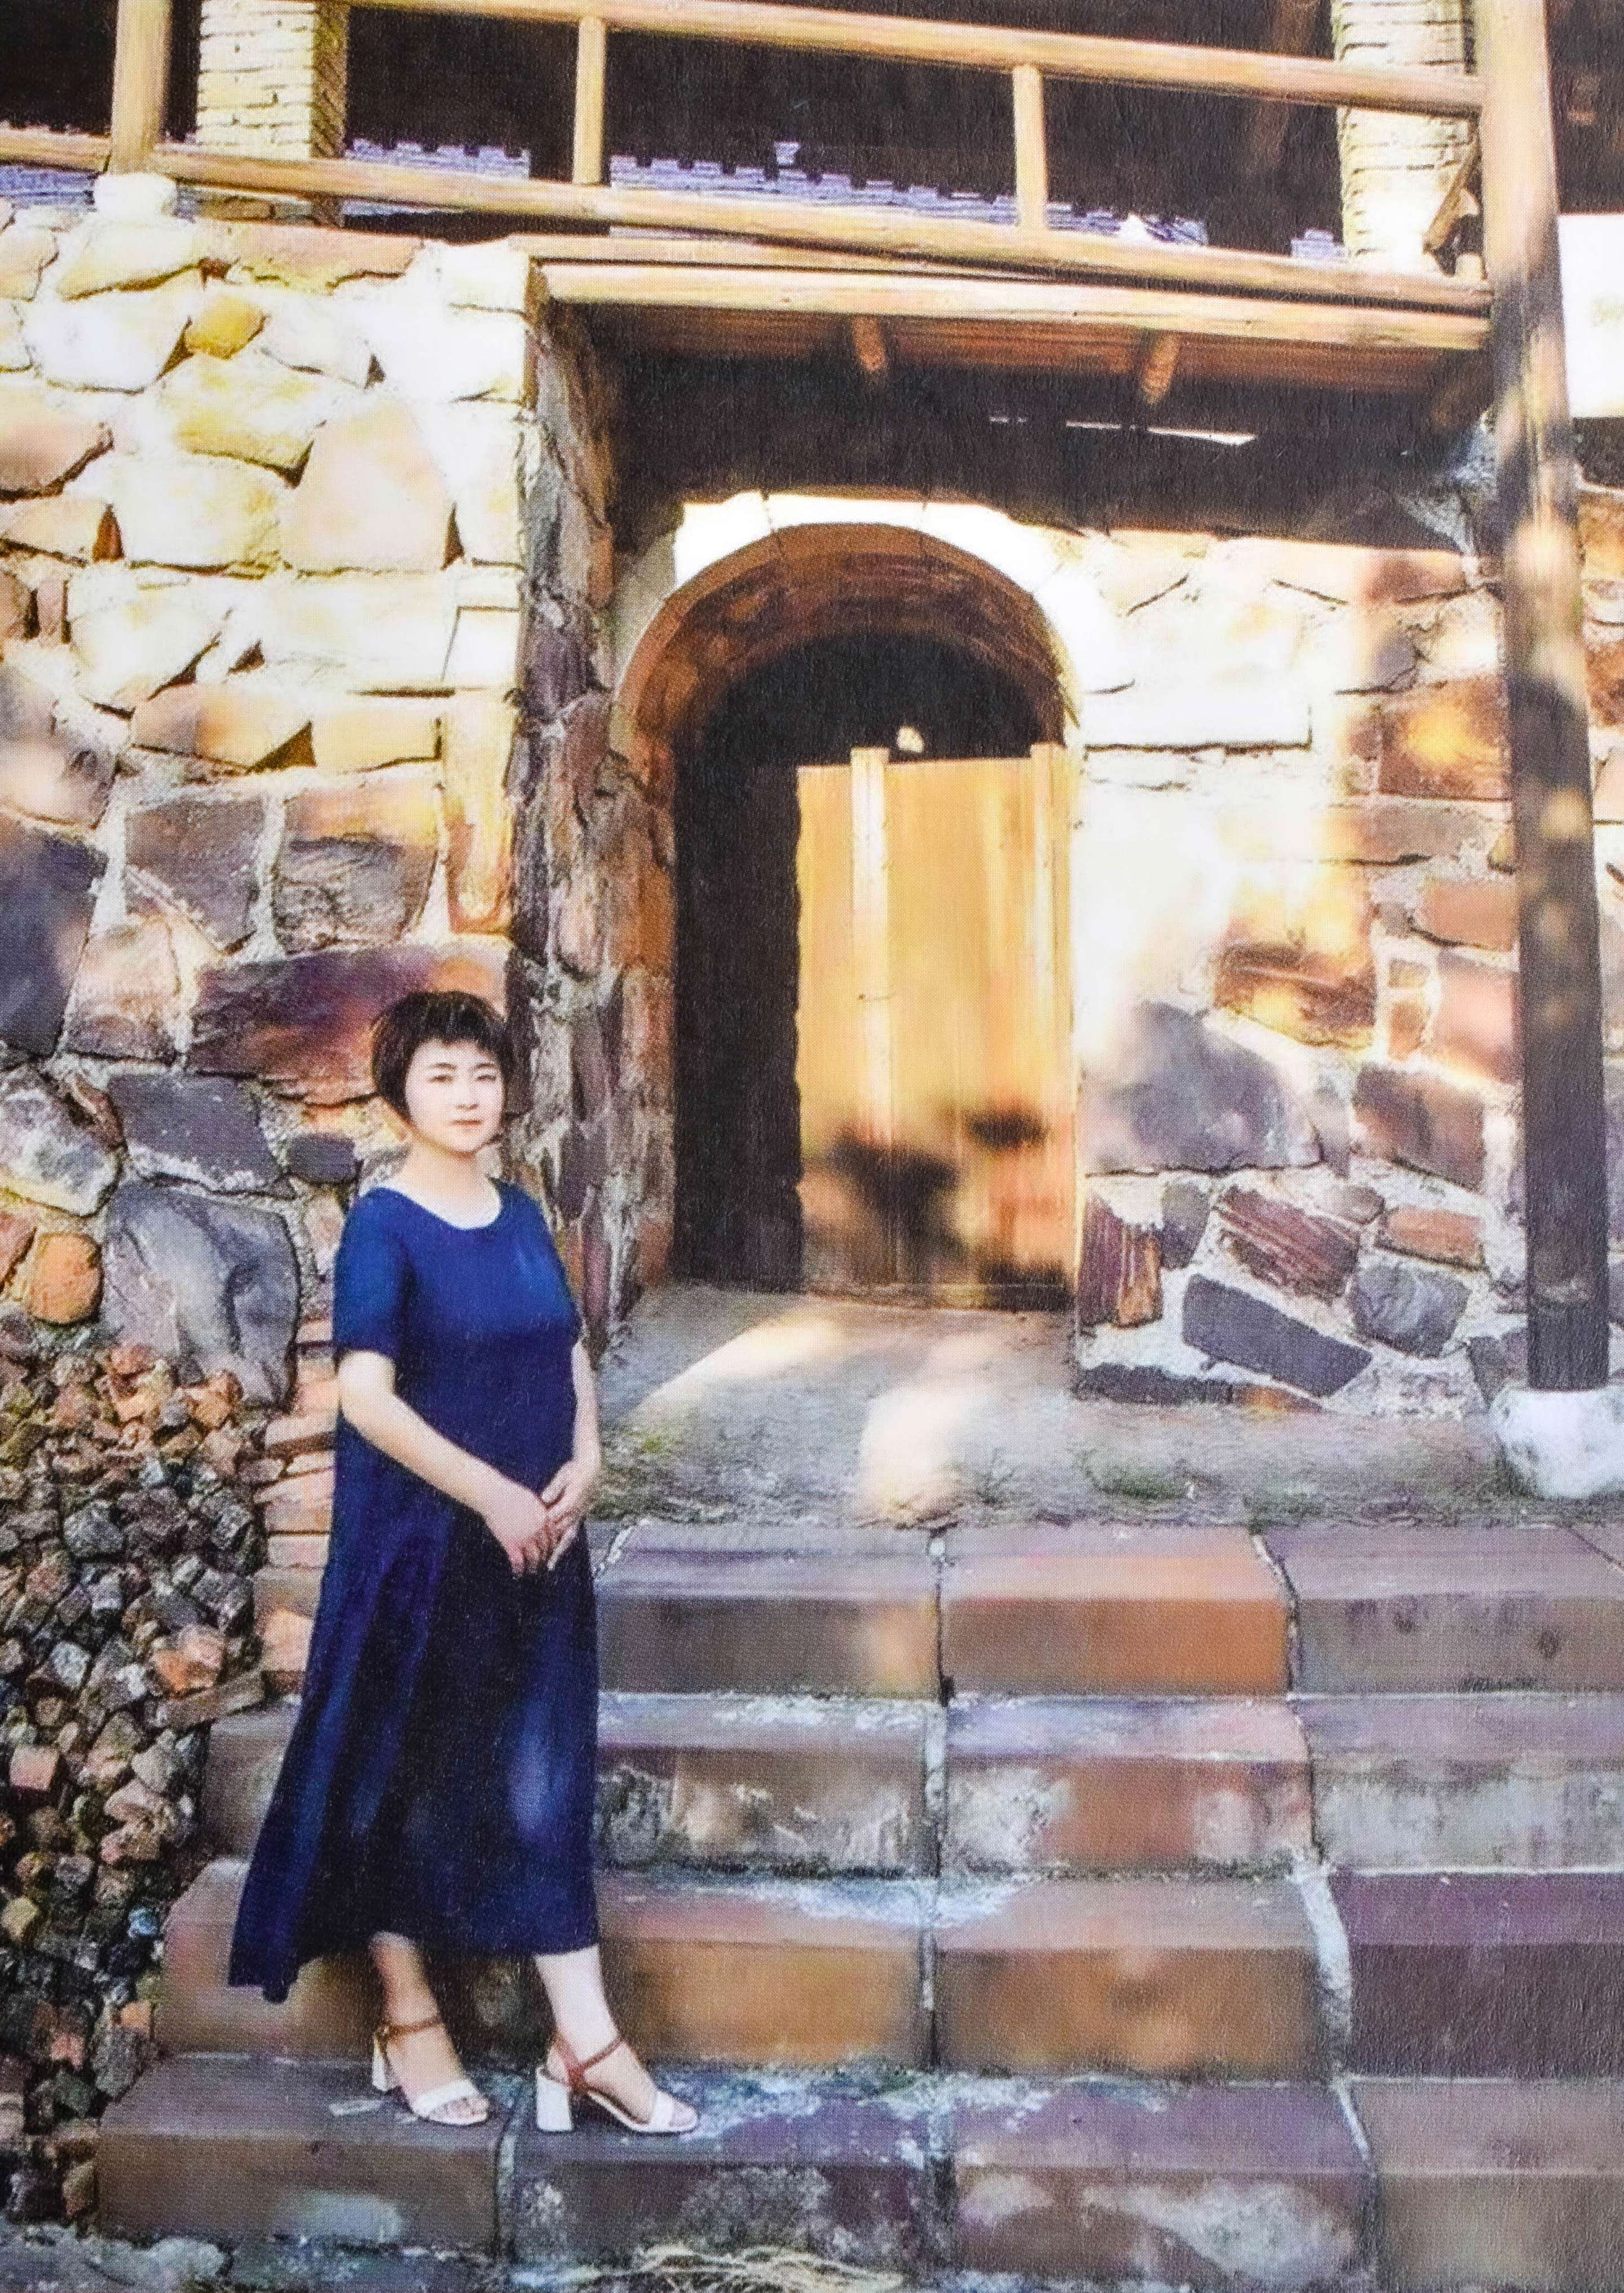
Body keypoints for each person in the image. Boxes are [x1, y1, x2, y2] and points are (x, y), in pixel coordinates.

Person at [227, 989, 698, 2137]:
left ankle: (583, 2041)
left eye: (483, 1073)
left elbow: (567, 1349)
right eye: (441, 1075)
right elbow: (367, 1398)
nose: (468, 1094)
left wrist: (588, 1457)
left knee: (545, 1785)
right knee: (395, 1771)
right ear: (399, 1094)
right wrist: (489, 1492)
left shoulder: (522, 1212)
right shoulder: (385, 1227)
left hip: (535, 1549)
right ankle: (407, 2011)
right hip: (419, 1551)